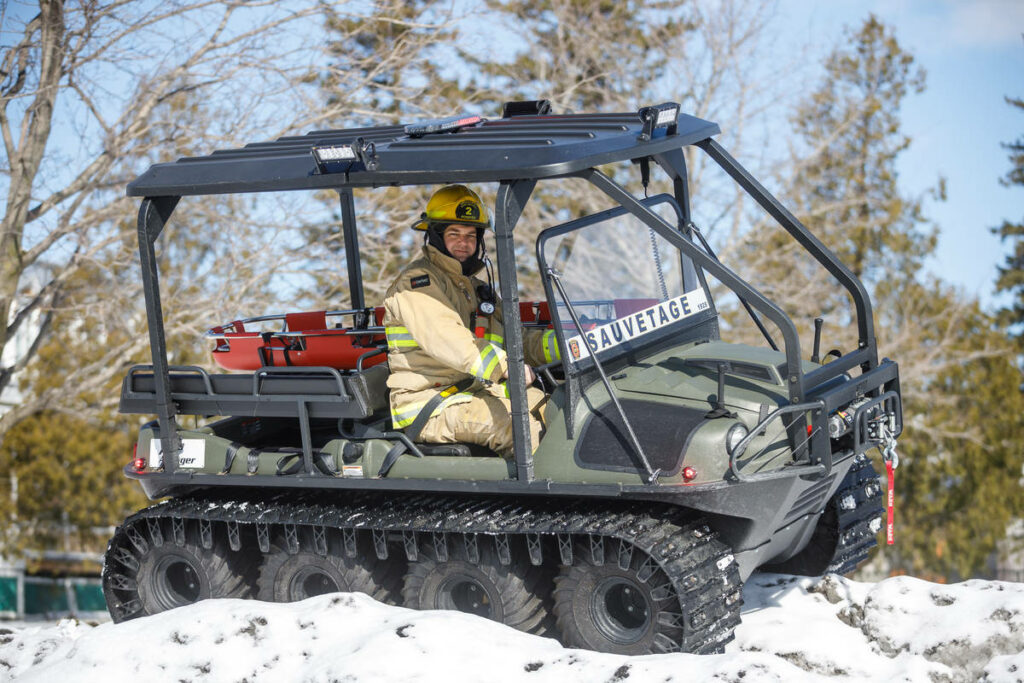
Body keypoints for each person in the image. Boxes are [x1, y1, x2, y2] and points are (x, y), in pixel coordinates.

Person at [382, 184, 560, 458]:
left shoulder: (475, 288)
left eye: (470, 235)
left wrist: (568, 344)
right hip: (429, 403)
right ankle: (546, 501)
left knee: (559, 412)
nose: (464, 243)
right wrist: (505, 366)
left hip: (473, 391)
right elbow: (448, 338)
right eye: (454, 234)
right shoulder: (416, 284)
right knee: (520, 429)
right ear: (436, 236)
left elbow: (517, 339)